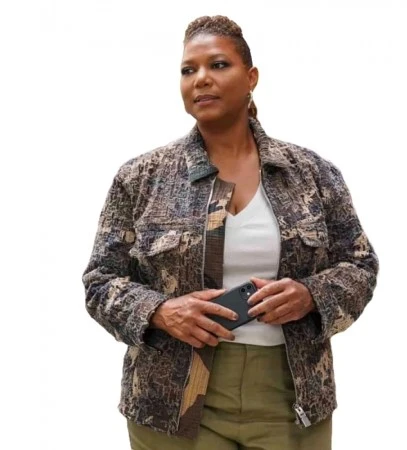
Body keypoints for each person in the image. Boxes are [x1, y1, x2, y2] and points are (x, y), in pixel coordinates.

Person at [83, 15, 379, 450]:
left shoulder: (312, 174)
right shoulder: (141, 177)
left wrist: (311, 295)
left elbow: (360, 265)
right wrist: (160, 311)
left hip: (290, 395)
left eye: (218, 65)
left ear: (251, 77)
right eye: (188, 69)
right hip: (171, 401)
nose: (201, 78)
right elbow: (100, 281)